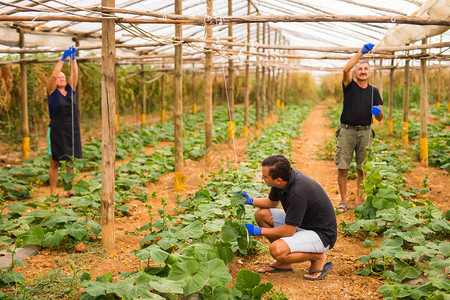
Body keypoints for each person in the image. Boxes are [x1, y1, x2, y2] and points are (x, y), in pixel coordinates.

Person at [239, 155, 337, 280]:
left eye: (265, 177)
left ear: (278, 180)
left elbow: (288, 231)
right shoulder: (285, 179)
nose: (262, 178)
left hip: (321, 235)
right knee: (261, 215)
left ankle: (317, 257)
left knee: (276, 250)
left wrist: (258, 231)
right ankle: (284, 263)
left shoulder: (297, 192)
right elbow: (272, 202)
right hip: (303, 223)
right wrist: (250, 200)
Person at [335, 43, 384, 213]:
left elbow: (380, 116)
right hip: (347, 131)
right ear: (355, 73)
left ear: (369, 73)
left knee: (362, 167)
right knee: (343, 167)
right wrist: (361, 53)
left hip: (365, 132)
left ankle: (359, 200)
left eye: (366, 69)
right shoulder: (349, 86)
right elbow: (345, 69)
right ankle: (343, 200)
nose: (363, 71)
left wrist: (378, 113)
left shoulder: (374, 91)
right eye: (360, 69)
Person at [46, 46, 81, 197]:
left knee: (70, 161)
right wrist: (62, 59)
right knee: (55, 162)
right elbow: (53, 77)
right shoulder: (52, 92)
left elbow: (75, 74)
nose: (61, 78)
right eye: (60, 77)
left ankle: (69, 189)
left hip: (71, 129)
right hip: (56, 130)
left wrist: (73, 59)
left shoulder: (70, 91)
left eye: (63, 77)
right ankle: (53, 191)